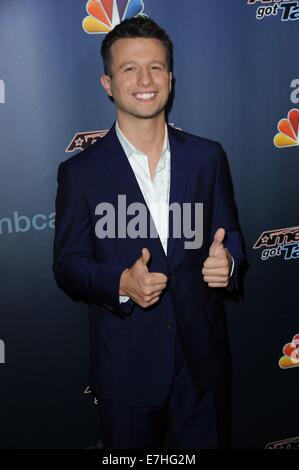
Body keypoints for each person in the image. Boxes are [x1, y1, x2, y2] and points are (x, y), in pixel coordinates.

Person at [53, 16, 244, 449]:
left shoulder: (208, 157)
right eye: (129, 69)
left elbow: (229, 233)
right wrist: (119, 282)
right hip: (126, 368)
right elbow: (67, 266)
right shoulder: (80, 174)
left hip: (203, 363)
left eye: (156, 67)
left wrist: (228, 261)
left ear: (170, 79)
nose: (145, 79)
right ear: (107, 83)